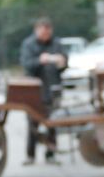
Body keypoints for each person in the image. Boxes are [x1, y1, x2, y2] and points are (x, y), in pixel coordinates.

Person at [18, 18, 68, 165]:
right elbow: (26, 65)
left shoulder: (56, 43)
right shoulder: (28, 44)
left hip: (53, 88)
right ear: (37, 30)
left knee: (53, 122)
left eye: (48, 31)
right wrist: (40, 60)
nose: (46, 34)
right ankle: (30, 155)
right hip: (35, 91)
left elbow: (65, 62)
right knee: (33, 123)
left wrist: (62, 61)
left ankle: (51, 153)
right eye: (43, 31)